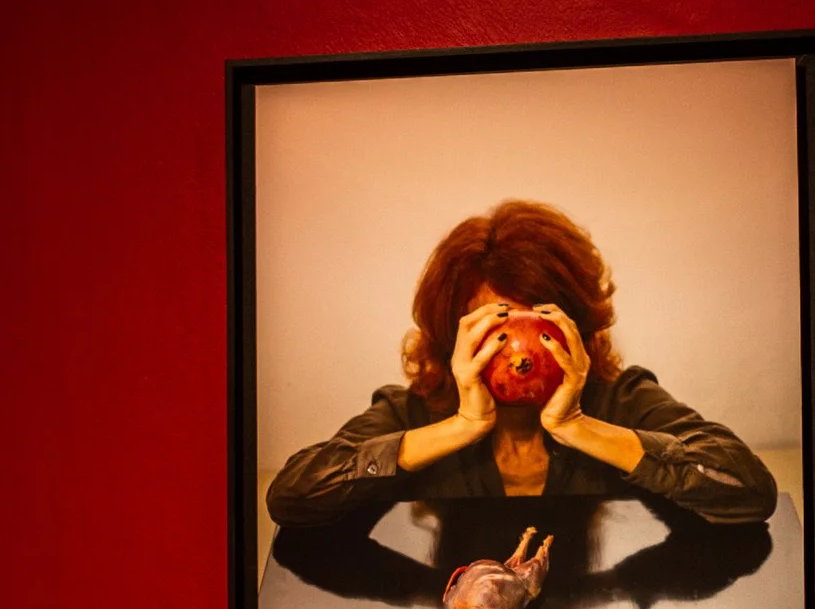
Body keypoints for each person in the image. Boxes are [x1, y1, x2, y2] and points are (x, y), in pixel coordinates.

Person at [266, 200, 778, 528]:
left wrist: (580, 428)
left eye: (539, 324)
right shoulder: (414, 413)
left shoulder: (619, 399)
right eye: (497, 327)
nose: (520, 352)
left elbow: (749, 489)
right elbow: (292, 497)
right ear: (455, 333)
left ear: (576, 328)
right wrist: (459, 428)